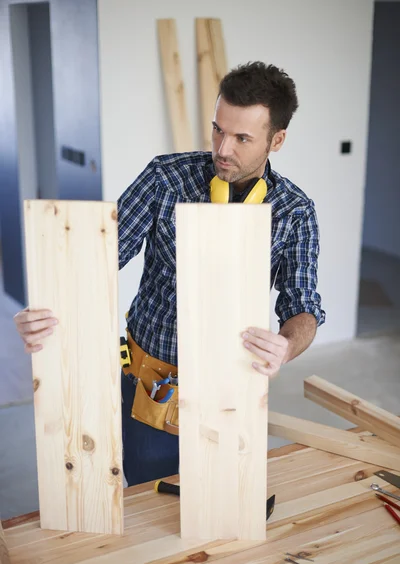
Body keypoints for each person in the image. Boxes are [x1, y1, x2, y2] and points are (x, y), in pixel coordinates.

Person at [14, 61, 325, 487]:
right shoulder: (166, 179)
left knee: (220, 511)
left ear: (278, 140)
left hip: (231, 390)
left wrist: (285, 347)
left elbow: (304, 307)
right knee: (149, 507)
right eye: (218, 129)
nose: (222, 148)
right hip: (150, 386)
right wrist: (45, 313)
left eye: (242, 138)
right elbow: (97, 261)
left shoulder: (295, 212)